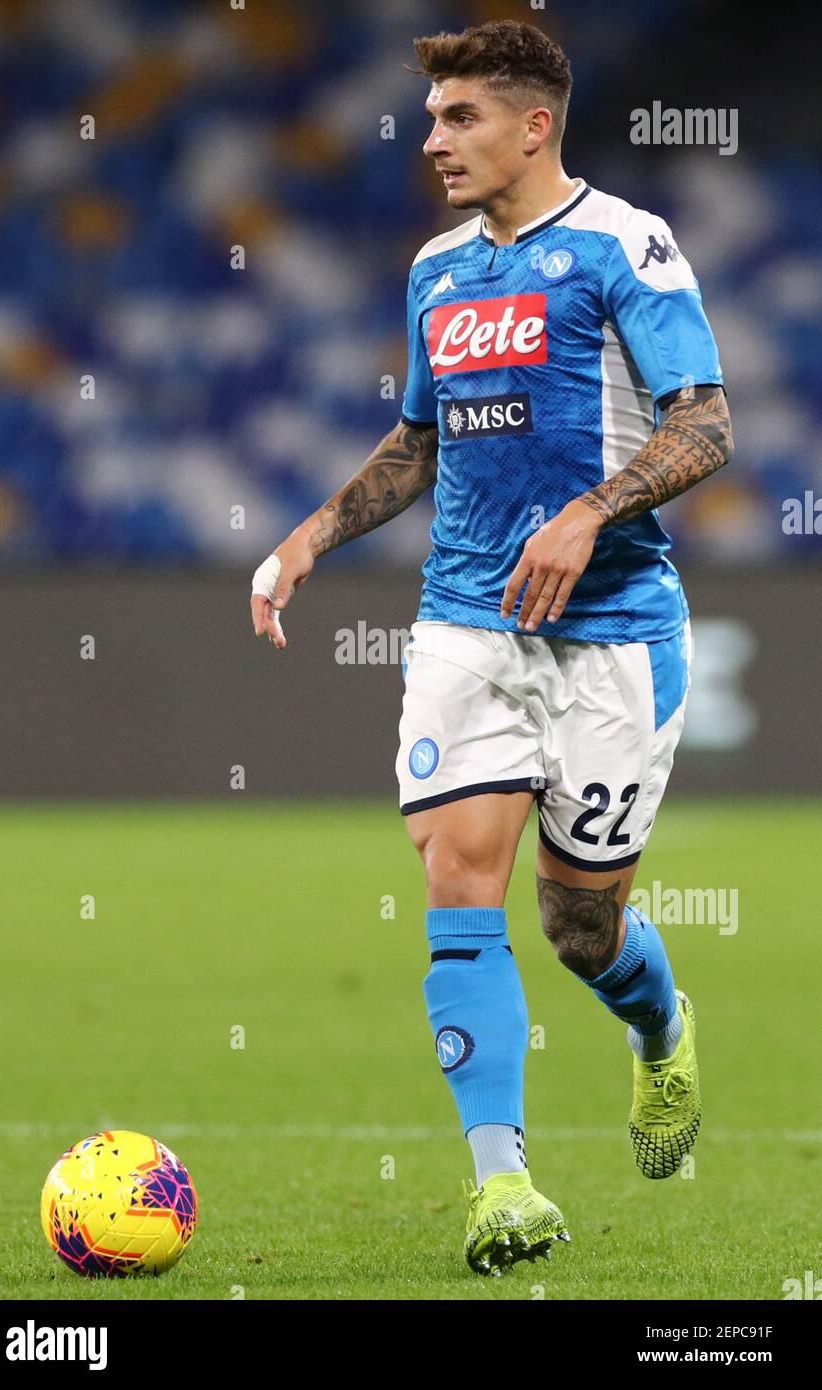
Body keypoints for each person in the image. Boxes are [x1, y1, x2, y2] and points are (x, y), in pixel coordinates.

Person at [251, 19, 733, 1277]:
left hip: (616, 631)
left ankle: (659, 1027)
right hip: (467, 620)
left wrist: (586, 512)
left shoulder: (625, 247)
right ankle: (501, 1184)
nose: (432, 139)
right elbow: (417, 440)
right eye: (429, 118)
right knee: (460, 875)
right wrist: (309, 537)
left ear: (532, 125)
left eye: (458, 117)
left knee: (580, 927)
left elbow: (707, 422)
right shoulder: (435, 271)